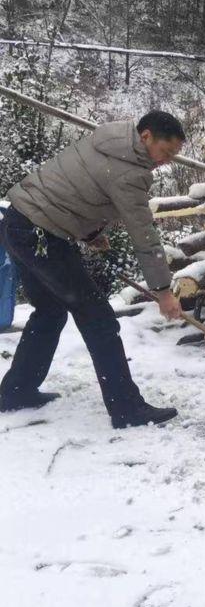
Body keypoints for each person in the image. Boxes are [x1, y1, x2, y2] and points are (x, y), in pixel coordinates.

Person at [0, 111, 185, 428]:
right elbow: (145, 235)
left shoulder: (111, 138)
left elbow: (78, 187)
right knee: (98, 318)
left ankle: (16, 392)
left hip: (18, 222)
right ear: (146, 137)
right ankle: (127, 409)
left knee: (49, 310)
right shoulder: (130, 171)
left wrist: (89, 234)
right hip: (42, 235)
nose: (166, 161)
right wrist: (163, 292)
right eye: (165, 152)